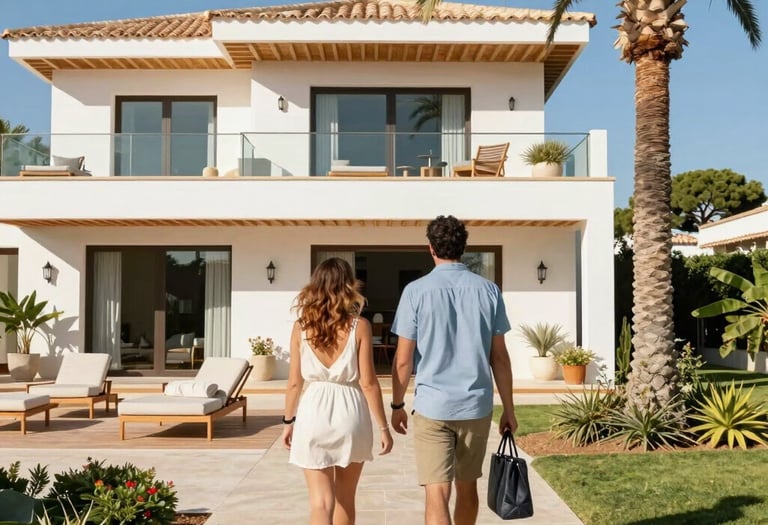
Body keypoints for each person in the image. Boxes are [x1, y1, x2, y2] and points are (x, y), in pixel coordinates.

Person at [390, 215, 518, 525]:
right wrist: (509, 409)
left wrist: (396, 405)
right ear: (463, 248)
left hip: (433, 407)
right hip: (475, 406)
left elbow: (404, 360)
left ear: (430, 248)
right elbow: (499, 358)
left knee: (437, 493)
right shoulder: (489, 290)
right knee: (468, 486)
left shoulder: (415, 291)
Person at [282, 257, 393, 525]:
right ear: (348, 286)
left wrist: (288, 422)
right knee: (345, 498)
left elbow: (294, 382)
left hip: (313, 411)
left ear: (315, 286)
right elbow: (368, 383)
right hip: (350, 411)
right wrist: (383, 427)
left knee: (320, 503)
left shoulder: (301, 327)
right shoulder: (360, 326)